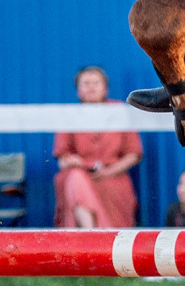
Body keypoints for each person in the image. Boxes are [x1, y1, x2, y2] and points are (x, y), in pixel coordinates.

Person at [52, 66, 142, 228]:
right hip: (82, 174)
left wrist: (108, 171)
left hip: (113, 176)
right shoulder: (69, 115)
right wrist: (75, 162)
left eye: (96, 83)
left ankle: (96, 236)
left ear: (105, 88)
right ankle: (91, 233)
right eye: (86, 83)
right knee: (75, 179)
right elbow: (62, 160)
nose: (91, 87)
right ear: (78, 90)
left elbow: (133, 154)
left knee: (82, 182)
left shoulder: (120, 111)